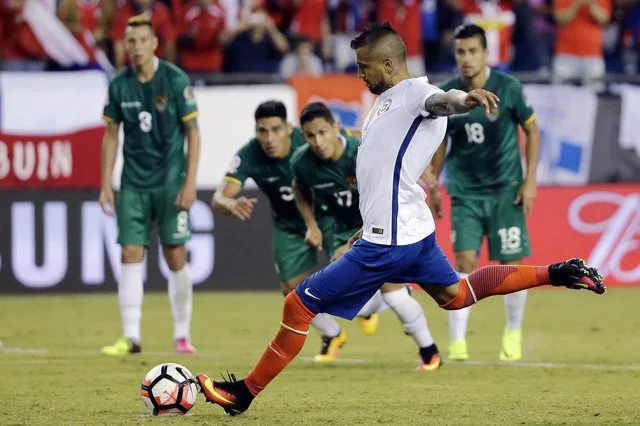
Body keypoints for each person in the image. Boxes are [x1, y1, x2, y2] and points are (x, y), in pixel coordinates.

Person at [195, 21, 605, 416]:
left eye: (363, 67)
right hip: (408, 230)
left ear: (388, 64)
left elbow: (439, 101)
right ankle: (558, 272)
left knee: (297, 306)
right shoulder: (384, 104)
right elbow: (382, 173)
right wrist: (364, 227)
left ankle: (243, 393)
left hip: (390, 242)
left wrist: (465, 99)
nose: (359, 74)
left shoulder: (414, 93)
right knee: (457, 297)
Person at [212, 100, 379, 362]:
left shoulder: (311, 139)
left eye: (276, 129)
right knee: (291, 290)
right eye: (262, 131)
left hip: (328, 216)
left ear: (289, 129)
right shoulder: (248, 155)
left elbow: (354, 137)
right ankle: (333, 334)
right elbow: (219, 199)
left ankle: (368, 307)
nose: (269, 138)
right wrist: (231, 203)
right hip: (288, 226)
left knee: (345, 277)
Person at [292, 101, 443, 371]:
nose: (318, 141)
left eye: (323, 132)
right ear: (303, 136)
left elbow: (396, 171)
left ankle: (430, 353)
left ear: (336, 128)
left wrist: (424, 181)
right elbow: (300, 187)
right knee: (351, 298)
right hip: (339, 230)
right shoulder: (302, 162)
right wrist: (311, 224)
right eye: (311, 136)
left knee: (392, 292)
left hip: (377, 221)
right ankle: (375, 306)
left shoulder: (362, 150)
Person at [429, 23, 541, 362]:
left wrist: (530, 180)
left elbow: (532, 131)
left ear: (486, 53)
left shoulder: (507, 87)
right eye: (460, 52)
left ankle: (512, 330)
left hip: (506, 191)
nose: (466, 58)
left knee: (510, 263)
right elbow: (440, 140)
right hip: (464, 193)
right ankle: (459, 342)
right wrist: (433, 181)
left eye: (472, 51)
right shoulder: (448, 93)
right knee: (463, 261)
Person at [100, 15, 200, 356]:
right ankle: (131, 337)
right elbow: (111, 136)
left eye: (143, 40)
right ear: (125, 46)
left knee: (175, 254)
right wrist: (105, 183)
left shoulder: (174, 79)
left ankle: (182, 334)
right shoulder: (119, 84)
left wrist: (190, 183)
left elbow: (193, 133)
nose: (137, 47)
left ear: (154, 43)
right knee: (130, 252)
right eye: (131, 41)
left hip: (171, 183)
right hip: (133, 184)